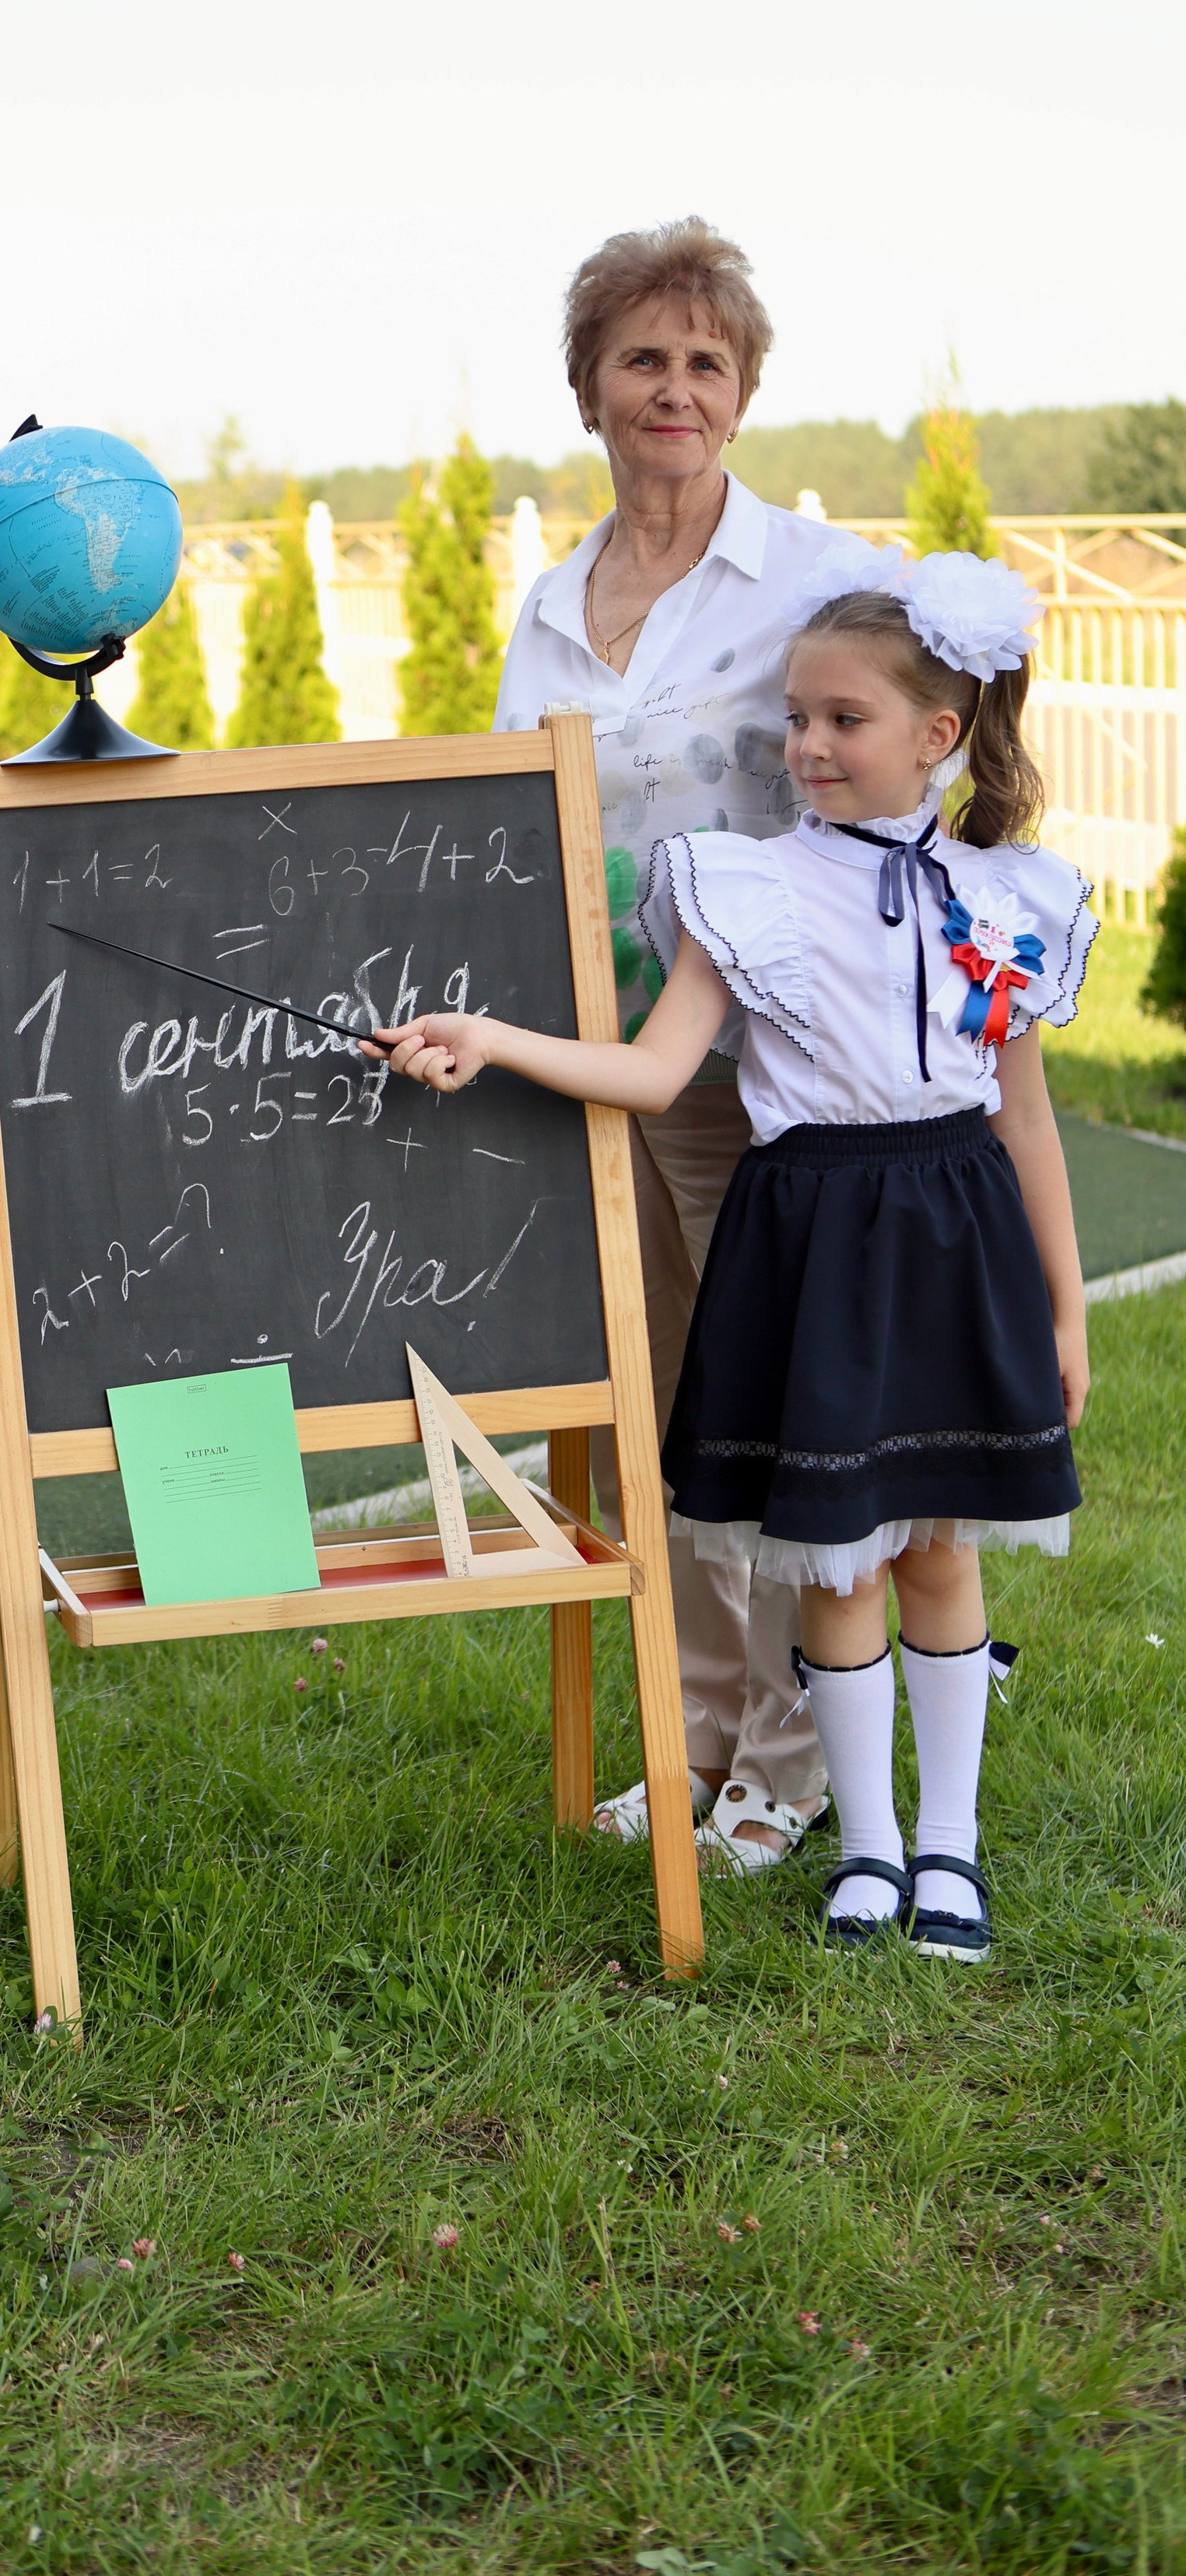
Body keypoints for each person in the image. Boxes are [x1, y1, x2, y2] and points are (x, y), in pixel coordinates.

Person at [373, 549, 1092, 1960]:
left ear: (939, 737)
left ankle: (948, 1845)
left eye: (843, 721)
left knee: (942, 1550)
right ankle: (868, 1853)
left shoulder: (1013, 900)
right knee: (833, 1564)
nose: (806, 746)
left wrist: (1064, 1311)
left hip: (954, 1248)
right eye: (799, 719)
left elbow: (1028, 1125)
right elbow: (651, 1074)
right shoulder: (746, 890)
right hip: (810, 1248)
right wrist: (495, 1038)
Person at [494, 217, 889, 1873]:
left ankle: (796, 1768)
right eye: (641, 359)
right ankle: (699, 1734)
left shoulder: (805, 575)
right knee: (671, 1413)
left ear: (741, 391)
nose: (672, 390)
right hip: (618, 1062)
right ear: (587, 385)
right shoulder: (545, 603)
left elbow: (888, 788)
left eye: (702, 363)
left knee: (796, 1408)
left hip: (782, 1074)